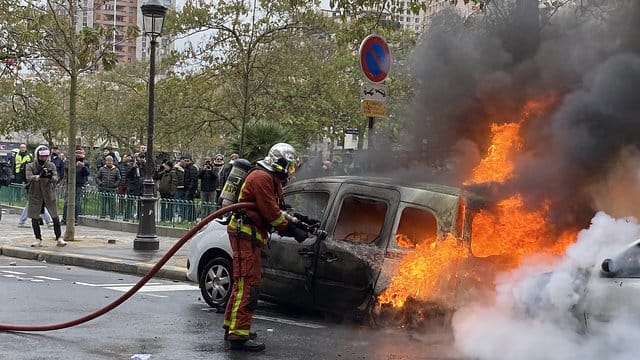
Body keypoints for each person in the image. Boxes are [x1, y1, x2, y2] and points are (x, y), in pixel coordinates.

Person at [223, 143, 308, 352]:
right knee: (248, 283)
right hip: (245, 233)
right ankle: (238, 336)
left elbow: (278, 208)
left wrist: (301, 220)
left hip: (251, 234)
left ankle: (232, 326)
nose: (290, 171)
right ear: (279, 163)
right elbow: (272, 214)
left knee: (242, 282)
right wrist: (291, 230)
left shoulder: (271, 178)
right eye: (289, 166)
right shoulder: (261, 178)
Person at [25, 145, 66, 247]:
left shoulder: (51, 165)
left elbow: (56, 177)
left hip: (48, 194)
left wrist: (50, 176)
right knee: (35, 218)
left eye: (46, 156)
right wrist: (39, 176)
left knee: (55, 217)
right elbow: (29, 177)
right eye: (41, 156)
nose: (44, 158)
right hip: (35, 194)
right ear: (37, 155)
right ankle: (38, 238)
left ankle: (59, 238)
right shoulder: (30, 166)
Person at [61, 151, 90, 226]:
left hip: (79, 184)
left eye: (80, 154)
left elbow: (87, 173)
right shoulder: (69, 161)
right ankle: (64, 218)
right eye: (77, 153)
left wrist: (83, 166)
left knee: (76, 202)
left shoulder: (85, 162)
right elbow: (66, 168)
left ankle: (75, 219)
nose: (78, 155)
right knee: (67, 201)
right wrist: (74, 165)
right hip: (70, 184)